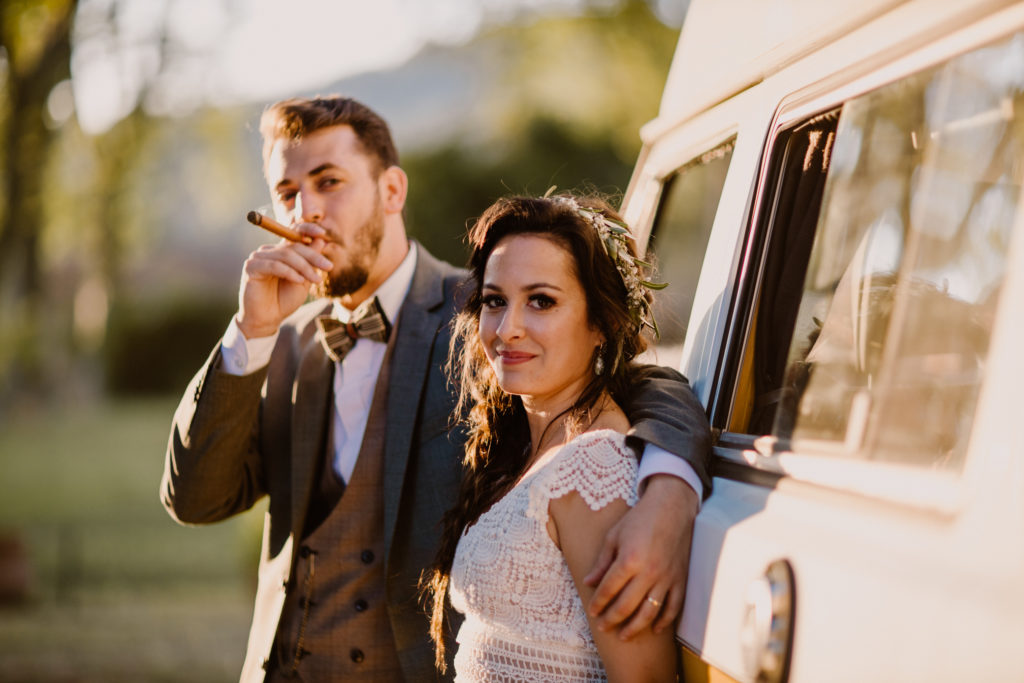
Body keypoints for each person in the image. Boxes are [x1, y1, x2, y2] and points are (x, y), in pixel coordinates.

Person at [161, 95, 711, 682]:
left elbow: (642, 385)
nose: (306, 213)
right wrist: (251, 331)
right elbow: (196, 499)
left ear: (391, 191)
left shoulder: (485, 316)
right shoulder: (277, 341)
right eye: (287, 192)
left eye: (329, 182)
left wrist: (670, 494)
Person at [425, 194, 678, 681]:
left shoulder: (594, 469)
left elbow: (644, 676)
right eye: (495, 301)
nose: (508, 328)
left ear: (602, 323)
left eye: (541, 301)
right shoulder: (528, 442)